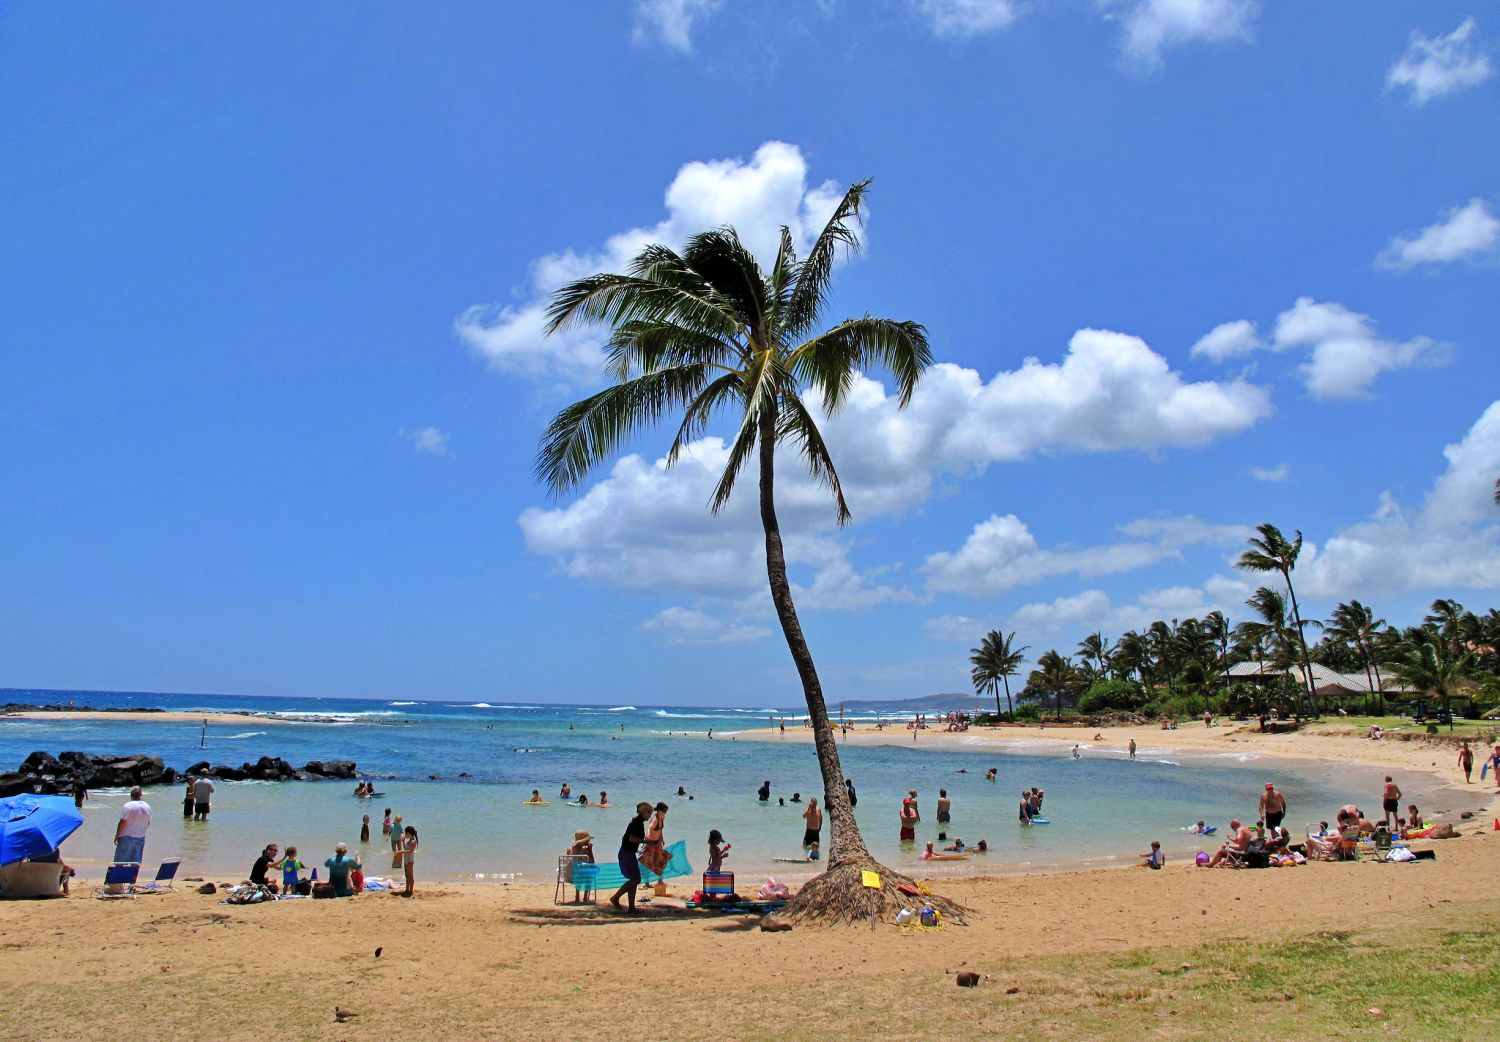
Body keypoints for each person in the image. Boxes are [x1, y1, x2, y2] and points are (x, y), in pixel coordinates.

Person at [610, 802, 652, 913]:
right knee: (636, 879)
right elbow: (632, 838)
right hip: (626, 853)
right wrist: (646, 842)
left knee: (634, 880)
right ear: (643, 812)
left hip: (629, 852)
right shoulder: (636, 823)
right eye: (649, 812)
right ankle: (615, 897)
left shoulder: (639, 822)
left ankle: (631, 907)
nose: (650, 815)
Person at [113, 786, 152, 865]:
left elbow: (122, 822)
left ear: (131, 796)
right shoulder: (147, 806)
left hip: (126, 837)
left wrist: (117, 835)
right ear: (141, 795)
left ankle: (119, 877)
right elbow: (148, 823)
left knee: (120, 862)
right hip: (140, 838)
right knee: (135, 863)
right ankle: (131, 877)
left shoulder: (128, 806)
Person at [640, 802, 670, 877]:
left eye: (666, 812)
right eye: (664, 811)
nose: (665, 813)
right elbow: (649, 828)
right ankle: (647, 883)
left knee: (661, 861)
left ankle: (660, 881)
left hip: (658, 841)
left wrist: (662, 838)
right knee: (648, 862)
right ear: (659, 811)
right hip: (650, 842)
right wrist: (648, 837)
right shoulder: (655, 819)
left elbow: (660, 829)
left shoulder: (662, 817)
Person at [398, 826, 418, 897]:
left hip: (409, 861)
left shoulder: (413, 842)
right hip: (406, 860)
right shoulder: (408, 841)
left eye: (406, 833)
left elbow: (409, 851)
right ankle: (407, 889)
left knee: (410, 876)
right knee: (407, 876)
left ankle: (411, 890)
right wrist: (403, 842)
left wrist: (401, 852)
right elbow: (406, 849)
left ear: (410, 833)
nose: (405, 835)